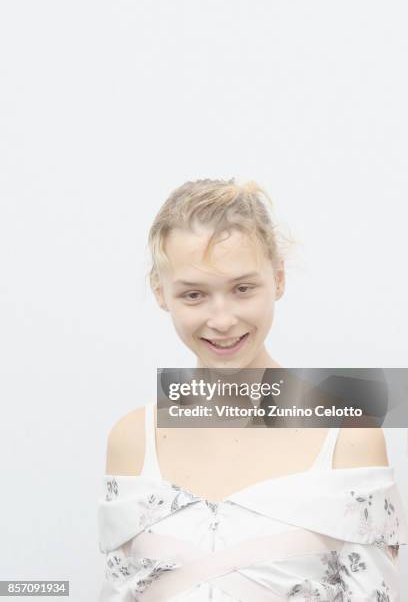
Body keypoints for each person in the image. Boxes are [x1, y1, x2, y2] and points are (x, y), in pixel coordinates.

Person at [98, 179, 407, 601]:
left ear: (278, 278)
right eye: (194, 295)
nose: (221, 319)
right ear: (160, 293)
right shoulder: (132, 440)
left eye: (242, 288)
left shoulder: (348, 439)